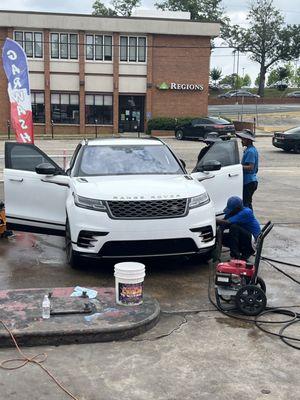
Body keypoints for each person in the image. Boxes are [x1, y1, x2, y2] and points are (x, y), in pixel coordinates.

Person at [217, 196, 261, 260]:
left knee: (234, 227)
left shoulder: (246, 212)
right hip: (245, 239)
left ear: (237, 208)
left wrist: (213, 219)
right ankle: (237, 253)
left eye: (231, 210)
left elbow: (227, 222)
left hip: (252, 242)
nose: (230, 212)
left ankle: (236, 256)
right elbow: (223, 224)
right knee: (223, 236)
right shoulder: (233, 212)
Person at [236, 129, 258, 210]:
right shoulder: (250, 150)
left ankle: (249, 220)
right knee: (247, 202)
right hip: (250, 181)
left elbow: (250, 167)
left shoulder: (250, 151)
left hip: (249, 182)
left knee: (246, 203)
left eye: (243, 139)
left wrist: (237, 167)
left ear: (248, 140)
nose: (241, 141)